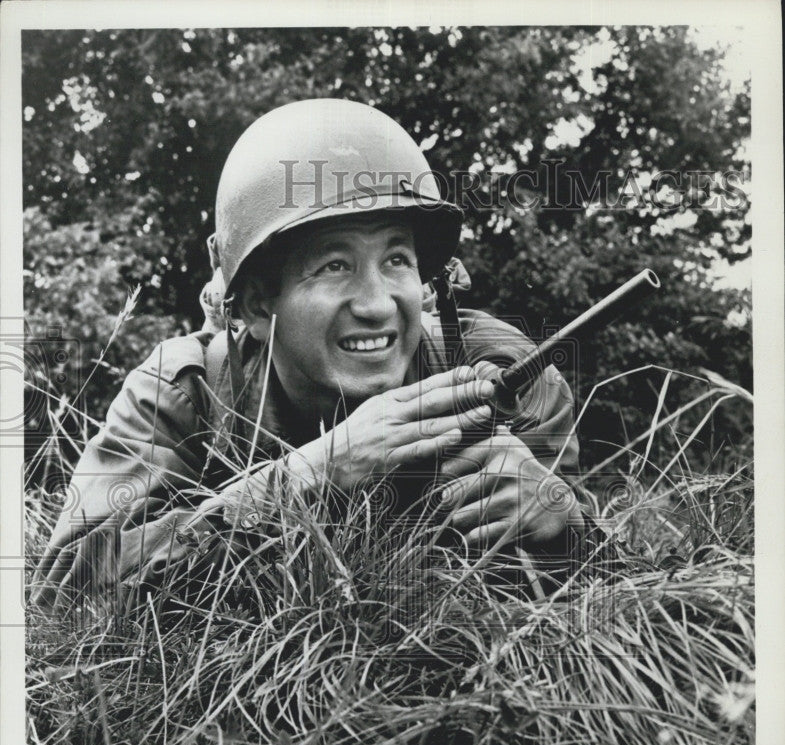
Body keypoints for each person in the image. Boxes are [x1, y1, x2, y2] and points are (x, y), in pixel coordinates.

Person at [33, 98, 584, 615]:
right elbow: (65, 598)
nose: (376, 305)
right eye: (333, 266)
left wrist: (563, 524)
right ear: (256, 302)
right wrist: (307, 477)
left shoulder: (507, 371)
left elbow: (603, 594)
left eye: (397, 259)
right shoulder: (183, 393)